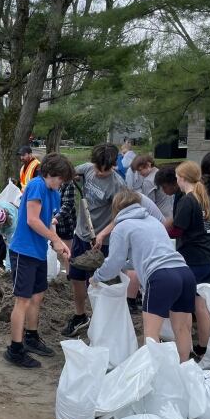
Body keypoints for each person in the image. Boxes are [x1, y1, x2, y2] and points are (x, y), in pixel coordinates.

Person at [92, 190, 195, 362]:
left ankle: (151, 377)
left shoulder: (122, 227)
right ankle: (185, 371)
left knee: (151, 334)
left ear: (116, 208)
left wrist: (96, 277)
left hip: (161, 278)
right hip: (184, 273)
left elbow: (113, 263)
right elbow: (140, 258)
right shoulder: (154, 222)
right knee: (182, 329)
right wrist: (121, 267)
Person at [4, 153, 74, 369]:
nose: (62, 183)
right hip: (24, 252)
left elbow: (49, 220)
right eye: (61, 179)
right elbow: (32, 220)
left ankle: (31, 336)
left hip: (38, 252)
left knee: (37, 296)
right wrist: (54, 238)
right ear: (51, 174)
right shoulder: (36, 186)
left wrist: (58, 243)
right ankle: (15, 349)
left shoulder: (52, 191)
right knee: (22, 300)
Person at [62, 144, 125, 338]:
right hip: (81, 235)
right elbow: (70, 173)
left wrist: (103, 234)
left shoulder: (118, 185)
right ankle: (80, 315)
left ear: (113, 165)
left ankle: (102, 319)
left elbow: (119, 217)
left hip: (102, 242)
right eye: (98, 168)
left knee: (99, 282)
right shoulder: (87, 169)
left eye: (106, 169)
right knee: (76, 277)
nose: (101, 172)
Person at [171, 161, 210, 357]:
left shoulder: (187, 200)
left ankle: (185, 346)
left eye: (176, 177)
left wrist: (158, 228)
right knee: (201, 304)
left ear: (181, 178)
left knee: (186, 305)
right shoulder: (204, 197)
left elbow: (177, 230)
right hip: (209, 256)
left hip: (193, 258)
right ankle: (203, 346)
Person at [130, 155, 175, 219]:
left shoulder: (148, 181)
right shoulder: (159, 172)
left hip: (160, 216)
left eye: (140, 170)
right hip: (170, 212)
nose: (139, 173)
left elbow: (148, 204)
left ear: (148, 165)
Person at [54, 180, 77, 271]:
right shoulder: (47, 181)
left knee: (66, 252)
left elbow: (68, 204)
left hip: (65, 224)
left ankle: (69, 276)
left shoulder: (68, 183)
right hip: (52, 223)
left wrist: (56, 218)